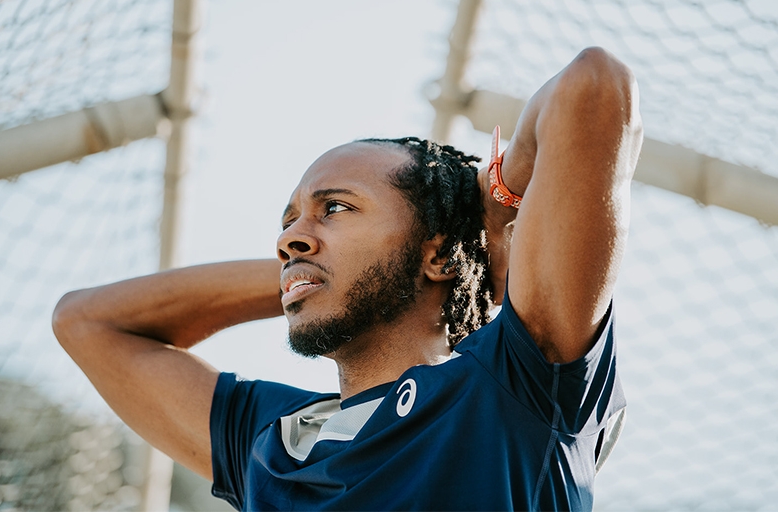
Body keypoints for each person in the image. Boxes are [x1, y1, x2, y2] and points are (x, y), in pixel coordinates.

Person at [53, 47, 642, 511]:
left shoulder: (516, 385)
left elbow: (593, 85)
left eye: (334, 208)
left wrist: (491, 211)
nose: (289, 237)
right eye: (289, 222)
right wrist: (306, 275)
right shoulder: (272, 442)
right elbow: (86, 322)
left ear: (436, 256)